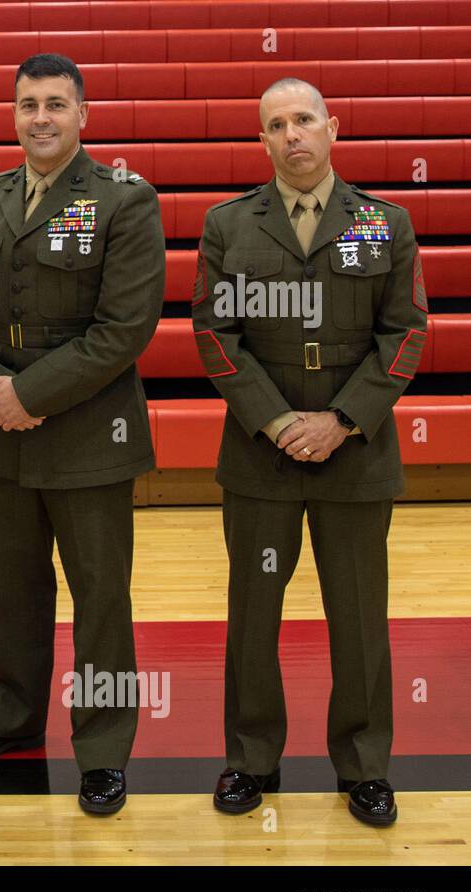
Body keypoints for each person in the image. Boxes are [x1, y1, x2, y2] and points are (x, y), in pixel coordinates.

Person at [192, 78, 426, 827]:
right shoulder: (229, 225)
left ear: (332, 128)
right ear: (261, 141)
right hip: (262, 457)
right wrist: (278, 422)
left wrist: (342, 420)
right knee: (253, 614)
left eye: (302, 121)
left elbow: (407, 334)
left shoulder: (385, 223)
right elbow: (213, 334)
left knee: (359, 617)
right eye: (275, 125)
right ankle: (251, 759)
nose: (291, 135)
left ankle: (364, 765)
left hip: (356, 454)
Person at [0, 53, 166, 815]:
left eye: (56, 104)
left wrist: (29, 394)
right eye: (28, 103)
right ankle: (12, 717)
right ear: (14, 113)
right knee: (15, 592)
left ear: (83, 114)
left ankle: (103, 747)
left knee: (101, 598)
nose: (41, 117)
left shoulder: (124, 201)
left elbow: (125, 328)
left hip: (89, 438)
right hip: (1, 436)